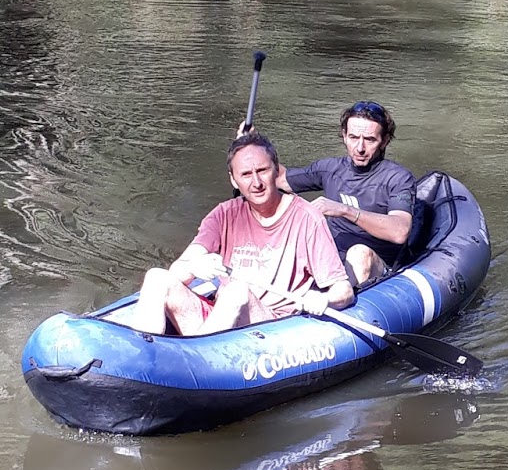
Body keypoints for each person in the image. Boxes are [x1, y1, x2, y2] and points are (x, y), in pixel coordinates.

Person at [105, 132, 354, 335]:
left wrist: (324, 300)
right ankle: (142, 352)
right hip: (221, 318)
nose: (256, 182)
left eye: (262, 171)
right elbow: (178, 272)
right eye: (245, 174)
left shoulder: (307, 217)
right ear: (234, 180)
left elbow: (343, 290)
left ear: (277, 171)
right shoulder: (224, 214)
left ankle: (198, 361)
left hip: (271, 325)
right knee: (157, 277)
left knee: (237, 291)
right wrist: (196, 266)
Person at [279, 100, 416, 288]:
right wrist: (251, 144)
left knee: (359, 253)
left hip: (378, 265)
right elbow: (280, 179)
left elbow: (399, 232)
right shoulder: (330, 169)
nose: (360, 148)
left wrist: (344, 210)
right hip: (333, 258)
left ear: (384, 141)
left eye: (369, 140)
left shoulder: (398, 178)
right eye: (353, 137)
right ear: (344, 136)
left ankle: (337, 300)